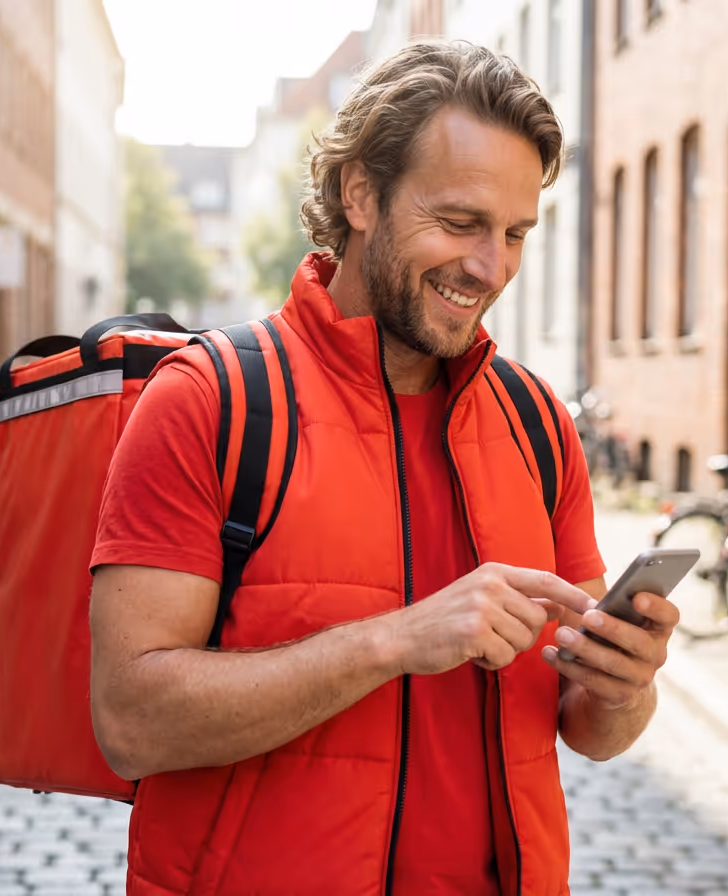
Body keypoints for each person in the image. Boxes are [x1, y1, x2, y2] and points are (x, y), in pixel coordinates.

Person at [88, 40, 679, 896]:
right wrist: (393, 640)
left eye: (515, 233)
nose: (492, 267)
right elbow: (130, 721)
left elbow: (589, 728)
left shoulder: (538, 423)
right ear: (360, 192)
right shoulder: (208, 403)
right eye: (460, 222)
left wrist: (625, 688)